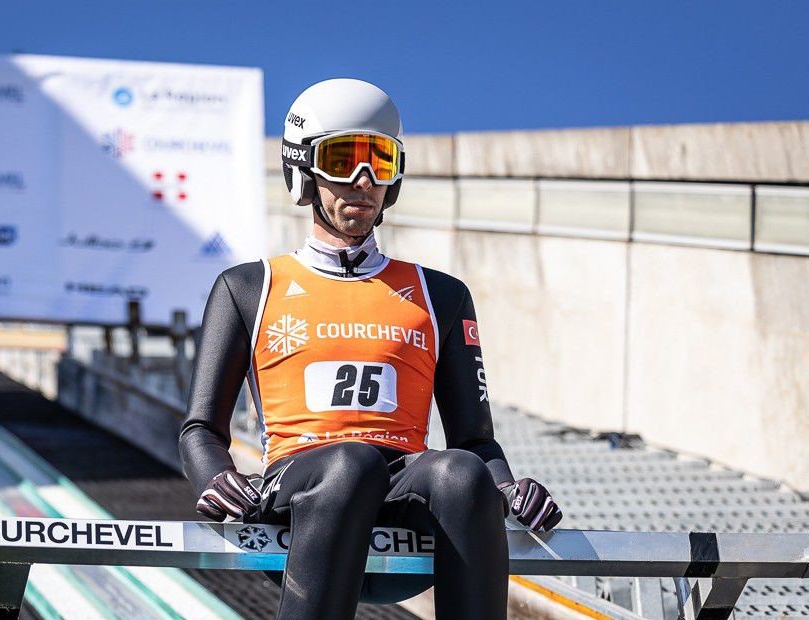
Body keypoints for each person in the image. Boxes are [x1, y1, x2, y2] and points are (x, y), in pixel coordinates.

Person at [179, 78, 562, 620]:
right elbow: (200, 428)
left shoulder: (440, 295)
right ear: (304, 170)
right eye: (342, 160)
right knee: (351, 463)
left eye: (379, 162)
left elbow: (475, 440)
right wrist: (215, 477)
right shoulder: (249, 287)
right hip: (302, 494)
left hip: (404, 488)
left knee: (460, 473)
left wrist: (506, 486)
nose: (363, 180)